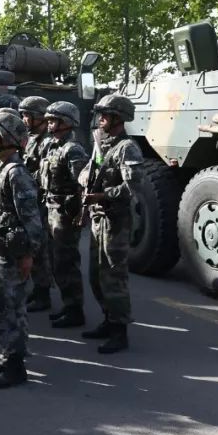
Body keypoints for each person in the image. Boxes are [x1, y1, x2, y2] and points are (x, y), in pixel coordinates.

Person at [0, 109, 44, 389]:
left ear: (8, 138)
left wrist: (28, 255)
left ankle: (16, 367)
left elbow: (32, 221)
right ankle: (8, 357)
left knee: (12, 311)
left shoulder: (16, 174)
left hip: (13, 255)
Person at [77, 93, 142, 353]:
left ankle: (119, 331)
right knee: (96, 274)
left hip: (116, 220)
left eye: (105, 114)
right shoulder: (100, 143)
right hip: (98, 218)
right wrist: (84, 180)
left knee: (114, 276)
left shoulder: (128, 148)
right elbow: (90, 169)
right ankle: (108, 319)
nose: (100, 118)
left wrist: (105, 195)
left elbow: (133, 185)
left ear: (118, 118)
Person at [40, 101, 91, 328]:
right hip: (51, 209)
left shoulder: (72, 149)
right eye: (49, 120)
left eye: (53, 120)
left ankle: (75, 309)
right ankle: (67, 305)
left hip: (64, 212)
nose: (49, 124)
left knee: (66, 262)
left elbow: (83, 183)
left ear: (67, 123)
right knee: (55, 261)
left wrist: (79, 210)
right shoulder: (52, 146)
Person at [17, 96, 53, 312]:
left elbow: (44, 174)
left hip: (41, 202)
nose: (24, 119)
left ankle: (43, 292)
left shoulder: (47, 142)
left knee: (41, 251)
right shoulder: (28, 138)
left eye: (28, 115)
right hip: (29, 200)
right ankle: (38, 290)